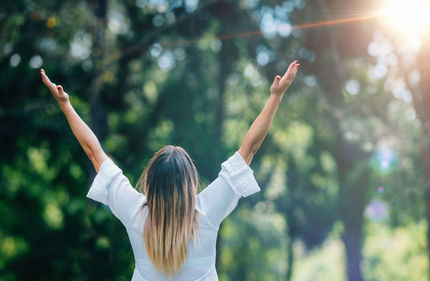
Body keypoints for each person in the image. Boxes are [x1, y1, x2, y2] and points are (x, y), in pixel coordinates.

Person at [40, 60, 300, 280]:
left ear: (151, 182)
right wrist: (276, 97)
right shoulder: (207, 211)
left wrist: (66, 106)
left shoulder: (135, 212)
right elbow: (249, 149)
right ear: (190, 183)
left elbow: (93, 152)